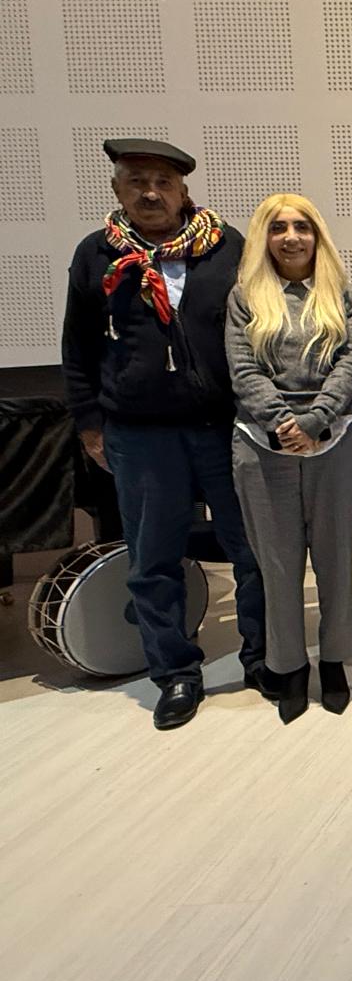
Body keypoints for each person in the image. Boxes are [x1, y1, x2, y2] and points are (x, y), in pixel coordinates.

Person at [60, 138, 269, 730]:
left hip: (225, 427)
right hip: (140, 434)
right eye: (137, 182)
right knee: (153, 560)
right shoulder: (96, 254)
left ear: (183, 191)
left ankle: (263, 658)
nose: (150, 194)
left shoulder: (228, 247)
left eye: (163, 183)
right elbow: (77, 346)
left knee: (254, 550)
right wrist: (89, 425)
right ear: (117, 189)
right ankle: (176, 673)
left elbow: (262, 328)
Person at [226, 193, 352, 723]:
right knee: (278, 565)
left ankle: (334, 661)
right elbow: (242, 368)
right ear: (264, 237)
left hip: (336, 440)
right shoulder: (244, 297)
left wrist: (315, 421)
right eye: (279, 228)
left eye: (302, 227)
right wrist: (282, 422)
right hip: (262, 445)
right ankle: (288, 667)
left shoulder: (345, 296)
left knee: (335, 558)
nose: (291, 237)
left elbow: (350, 362)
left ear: (317, 236)